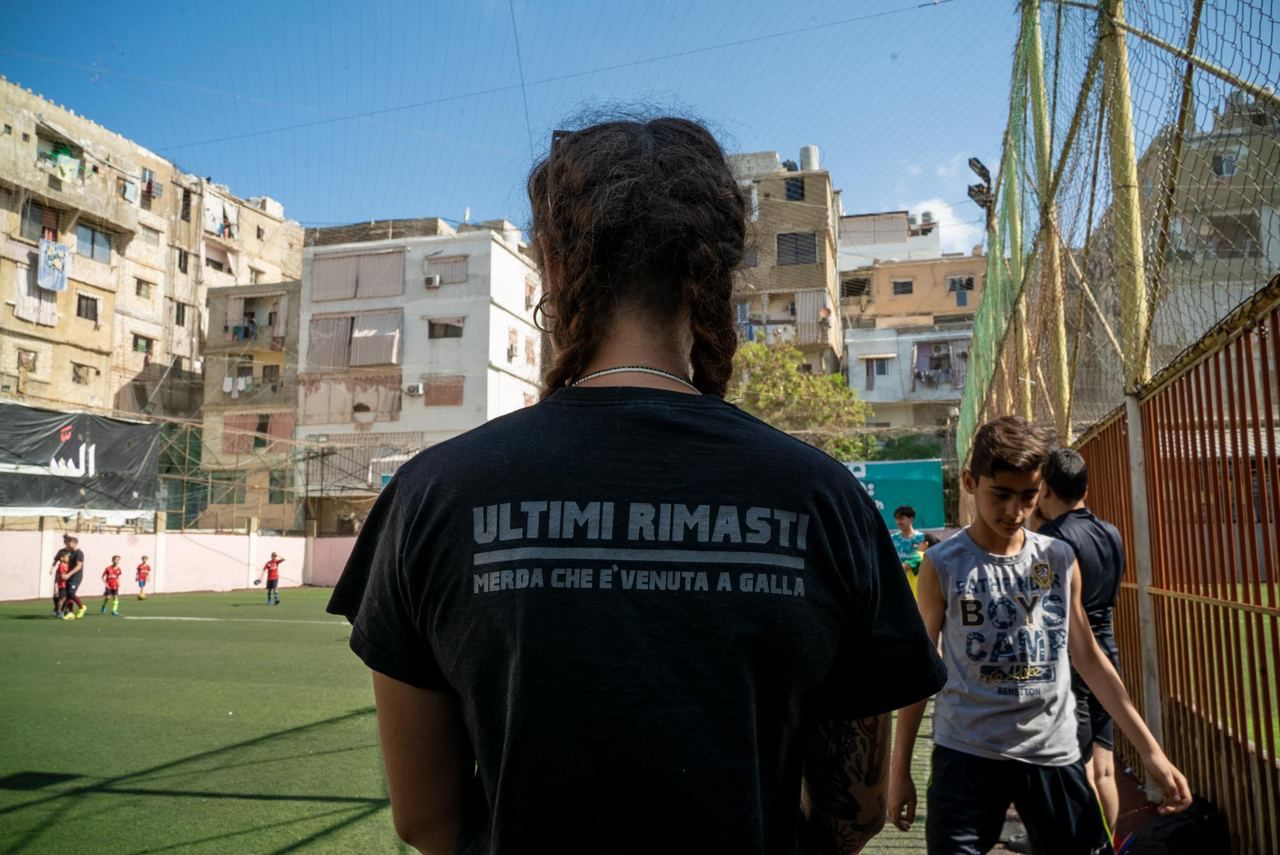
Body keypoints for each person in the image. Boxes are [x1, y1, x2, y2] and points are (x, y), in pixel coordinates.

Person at [327, 116, 948, 855]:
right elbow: (854, 811)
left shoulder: (430, 495)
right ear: (721, 267)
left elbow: (426, 820)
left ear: (551, 265)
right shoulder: (827, 499)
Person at [887, 415, 1190, 854]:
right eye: (1001, 494)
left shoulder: (1059, 558)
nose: (1014, 511)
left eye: (1028, 496)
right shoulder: (944, 564)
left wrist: (1150, 750)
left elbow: (1088, 656)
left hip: (1052, 751)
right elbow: (920, 669)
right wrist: (899, 773)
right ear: (971, 482)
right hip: (966, 754)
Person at [1035, 448, 1126, 834]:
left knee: (1079, 763)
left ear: (1045, 489)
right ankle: (1107, 845)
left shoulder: (1051, 540)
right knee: (1104, 766)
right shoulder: (1111, 532)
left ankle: (1086, 842)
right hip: (1108, 650)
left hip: (1072, 658)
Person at [60, 535, 87, 621]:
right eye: (66, 543)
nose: (66, 544)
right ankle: (70, 613)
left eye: (68, 543)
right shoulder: (70, 553)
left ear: (74, 543)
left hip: (76, 577)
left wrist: (68, 574)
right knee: (68, 595)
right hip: (69, 576)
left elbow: (79, 566)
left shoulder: (79, 553)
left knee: (71, 593)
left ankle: (82, 607)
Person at [50, 547, 70, 617]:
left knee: (66, 598)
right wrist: (51, 569)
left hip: (66, 585)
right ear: (62, 558)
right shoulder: (62, 565)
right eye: (67, 557)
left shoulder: (67, 564)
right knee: (62, 598)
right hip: (63, 585)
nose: (68, 558)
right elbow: (62, 576)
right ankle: (58, 611)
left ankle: (64, 611)